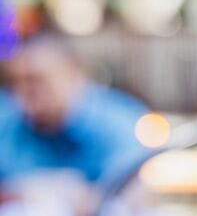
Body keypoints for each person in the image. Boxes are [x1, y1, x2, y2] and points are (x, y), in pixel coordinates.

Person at [0, 33, 146, 184]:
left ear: (74, 73)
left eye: (36, 80)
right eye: (15, 82)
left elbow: (129, 191)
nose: (25, 90)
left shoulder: (117, 121)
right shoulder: (7, 119)